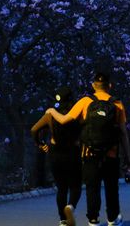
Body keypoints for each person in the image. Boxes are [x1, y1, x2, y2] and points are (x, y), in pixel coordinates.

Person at [47, 72, 130, 226]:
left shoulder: (85, 102)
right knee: (111, 188)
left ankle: (93, 220)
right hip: (111, 154)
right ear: (110, 86)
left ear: (93, 85)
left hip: (89, 153)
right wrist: (128, 158)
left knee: (92, 188)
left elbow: (64, 120)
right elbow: (123, 133)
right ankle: (113, 219)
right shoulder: (117, 104)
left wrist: (51, 111)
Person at [32, 86, 83, 226]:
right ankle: (70, 206)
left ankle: (62, 220)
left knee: (61, 188)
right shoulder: (77, 113)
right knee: (75, 186)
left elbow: (34, 129)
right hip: (73, 152)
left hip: (55, 153)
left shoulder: (50, 114)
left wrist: (40, 144)